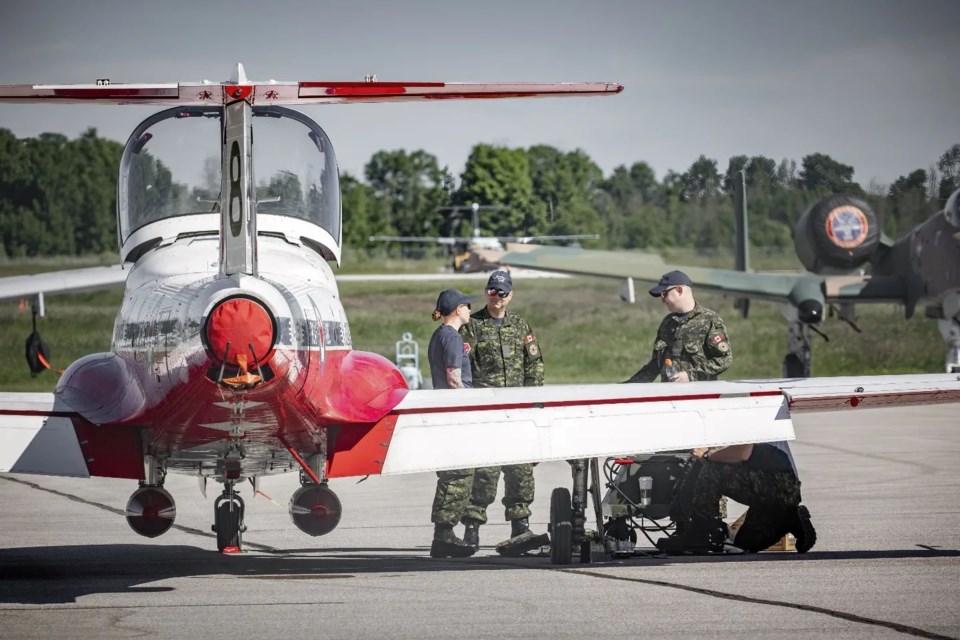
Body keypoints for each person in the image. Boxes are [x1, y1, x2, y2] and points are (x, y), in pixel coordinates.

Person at [458, 270, 547, 555]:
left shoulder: (520, 325)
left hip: (519, 410)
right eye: (493, 292)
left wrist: (532, 399)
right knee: (485, 471)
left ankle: (520, 526)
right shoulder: (473, 325)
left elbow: (534, 365)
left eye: (503, 293)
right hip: (489, 412)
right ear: (486, 293)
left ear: (511, 295)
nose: (497, 298)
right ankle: (472, 528)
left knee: (520, 470)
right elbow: (462, 367)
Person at [656, 441, 817, 555]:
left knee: (711, 471)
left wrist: (707, 455)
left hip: (775, 485)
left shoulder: (746, 404)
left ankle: (700, 534)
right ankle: (792, 519)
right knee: (744, 544)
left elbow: (743, 452)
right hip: (780, 493)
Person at [427, 288, 478, 558]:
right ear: (457, 309)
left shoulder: (439, 336)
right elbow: (454, 380)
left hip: (445, 412)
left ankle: (444, 534)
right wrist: (477, 403)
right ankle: (444, 535)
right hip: (457, 413)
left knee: (452, 473)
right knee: (459, 473)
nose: (470, 309)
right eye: (466, 306)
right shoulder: (452, 338)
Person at [625, 270, 732, 383]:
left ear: (679, 290)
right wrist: (628, 386)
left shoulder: (710, 320)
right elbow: (655, 364)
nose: (662, 300)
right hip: (670, 395)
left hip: (699, 395)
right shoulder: (668, 323)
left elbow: (724, 359)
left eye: (664, 294)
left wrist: (690, 376)